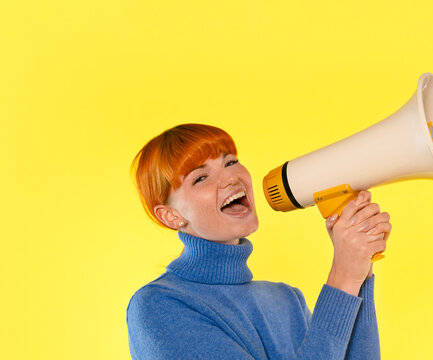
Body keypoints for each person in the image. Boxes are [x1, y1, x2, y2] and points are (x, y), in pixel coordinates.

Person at [126, 123, 391, 359]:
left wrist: (359, 273)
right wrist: (342, 278)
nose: (231, 178)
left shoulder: (287, 300)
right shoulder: (159, 306)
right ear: (170, 216)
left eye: (230, 162)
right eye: (201, 177)